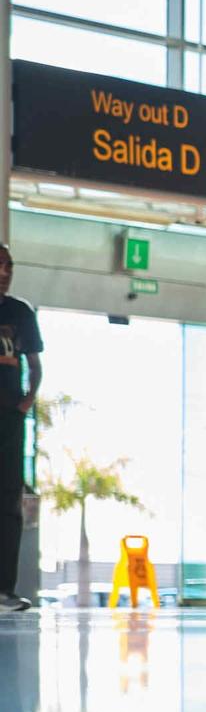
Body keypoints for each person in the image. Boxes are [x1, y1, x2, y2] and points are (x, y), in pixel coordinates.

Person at [0, 244, 43, 612]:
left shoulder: (20, 312)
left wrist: (28, 398)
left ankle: (4, 590)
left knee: (9, 498)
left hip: (9, 416)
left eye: (8, 266)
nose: (4, 272)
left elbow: (34, 362)